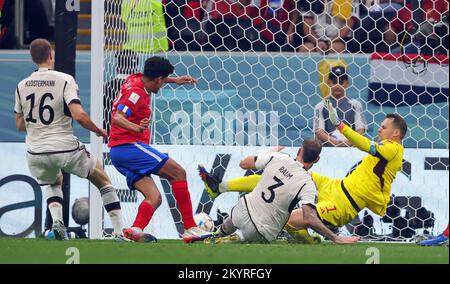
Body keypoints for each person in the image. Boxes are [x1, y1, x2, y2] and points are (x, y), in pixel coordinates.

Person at [200, 107, 407, 243]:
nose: (379, 129)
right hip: (336, 186)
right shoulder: (386, 148)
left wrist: (340, 126)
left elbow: (365, 145)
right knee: (280, 174)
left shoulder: (394, 149)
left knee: (290, 221)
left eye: (383, 127)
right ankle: (220, 187)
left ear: (395, 133)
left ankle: (312, 244)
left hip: (346, 203)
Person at [14, 39, 125, 241]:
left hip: (36, 151)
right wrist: (98, 130)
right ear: (51, 55)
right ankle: (118, 232)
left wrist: (38, 123)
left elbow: (20, 125)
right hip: (64, 147)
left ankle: (57, 224)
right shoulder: (65, 80)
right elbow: (79, 115)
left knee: (54, 181)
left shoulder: (21, 86)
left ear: (32, 59)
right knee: (102, 179)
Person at [108, 56, 212, 243]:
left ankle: (135, 229)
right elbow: (117, 117)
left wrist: (175, 80)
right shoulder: (136, 94)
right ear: (157, 79)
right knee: (178, 172)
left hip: (119, 152)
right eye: (163, 82)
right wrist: (137, 128)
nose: (162, 85)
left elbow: (154, 80)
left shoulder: (135, 78)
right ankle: (189, 228)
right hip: (128, 147)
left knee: (154, 197)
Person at [200, 139, 360, 244]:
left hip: (241, 210)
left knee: (236, 216)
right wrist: (335, 237)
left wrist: (267, 152)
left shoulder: (278, 157)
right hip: (261, 230)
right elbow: (309, 218)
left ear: (299, 151)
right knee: (255, 235)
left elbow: (244, 164)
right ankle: (236, 239)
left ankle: (218, 233)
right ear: (317, 160)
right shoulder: (308, 185)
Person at [314, 65, 367, 147]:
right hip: (327, 151)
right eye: (334, 82)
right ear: (328, 82)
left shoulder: (355, 105)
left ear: (347, 83)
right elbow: (318, 131)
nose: (338, 85)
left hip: (350, 151)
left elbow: (360, 130)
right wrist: (334, 142)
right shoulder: (321, 106)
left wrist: (347, 143)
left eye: (341, 82)